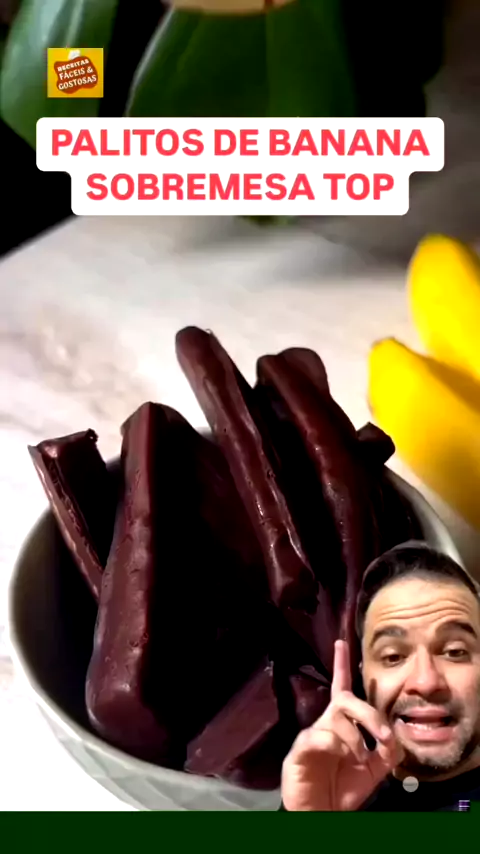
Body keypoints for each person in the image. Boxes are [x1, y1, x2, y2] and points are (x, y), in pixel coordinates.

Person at [281, 542, 480, 811]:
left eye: (454, 652)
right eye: (393, 656)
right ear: (363, 679)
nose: (425, 682)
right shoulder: (321, 788)